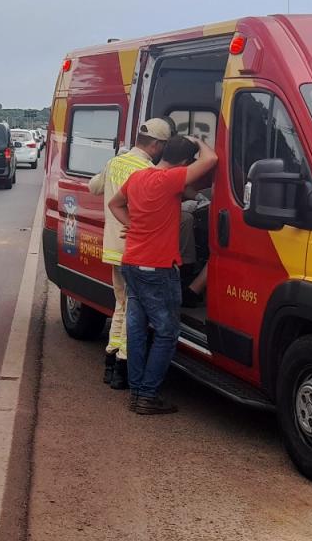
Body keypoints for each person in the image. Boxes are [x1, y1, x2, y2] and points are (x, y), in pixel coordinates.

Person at [108, 135, 217, 414]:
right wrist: (198, 139)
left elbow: (114, 204)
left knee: (136, 328)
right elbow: (211, 159)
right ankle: (147, 395)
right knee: (167, 332)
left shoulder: (139, 177)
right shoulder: (170, 179)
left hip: (131, 262)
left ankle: (136, 392)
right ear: (183, 162)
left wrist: (133, 225)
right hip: (157, 267)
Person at [86, 118, 172, 389]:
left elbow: (93, 187)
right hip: (135, 250)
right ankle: (123, 364)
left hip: (112, 248)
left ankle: (110, 361)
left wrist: (111, 164)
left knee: (120, 305)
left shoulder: (115, 163)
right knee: (133, 309)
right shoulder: (146, 170)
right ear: (157, 145)